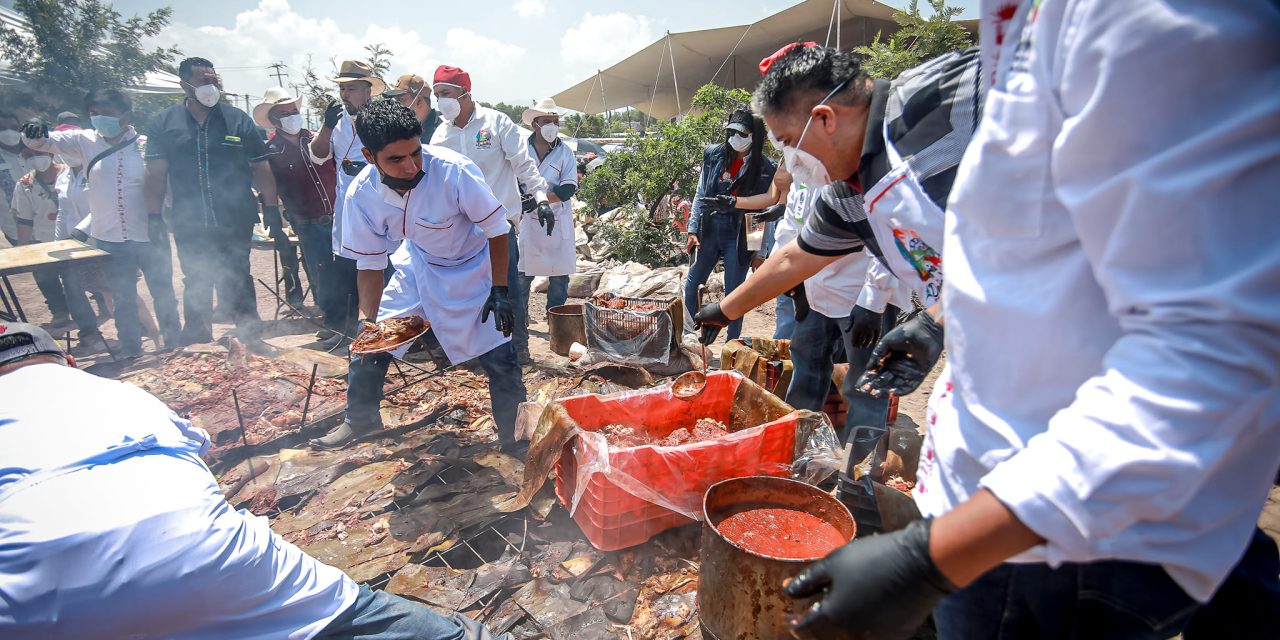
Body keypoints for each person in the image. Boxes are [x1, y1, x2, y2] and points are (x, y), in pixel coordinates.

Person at [773, 2, 1280, 638]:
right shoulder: (1034, 28)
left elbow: (1216, 356)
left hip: (1070, 533)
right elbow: (1034, 243)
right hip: (1006, 499)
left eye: (789, 147)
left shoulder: (1138, 20)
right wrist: (942, 319)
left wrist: (930, 559)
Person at [0, 322, 514, 639]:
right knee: (355, 616)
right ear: (68, 362)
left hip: (32, 602)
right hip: (201, 553)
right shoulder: (119, 393)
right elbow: (196, 452)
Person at [694, 44, 983, 458]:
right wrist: (727, 310)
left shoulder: (950, 95)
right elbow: (796, 256)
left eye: (790, 143)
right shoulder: (844, 194)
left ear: (825, 119)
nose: (791, 163)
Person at [312, 100, 528, 454]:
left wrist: (501, 288)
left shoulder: (454, 170)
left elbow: (497, 230)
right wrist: (368, 318)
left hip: (475, 265)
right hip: (419, 265)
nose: (411, 166)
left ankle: (515, 436)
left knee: (500, 356)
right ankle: (360, 419)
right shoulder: (361, 195)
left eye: (415, 153)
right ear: (369, 155)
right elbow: (369, 264)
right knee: (373, 341)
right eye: (396, 159)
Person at [23, 89, 184, 356]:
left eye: (107, 113)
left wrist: (165, 218)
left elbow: (162, 183)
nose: (99, 118)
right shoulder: (82, 140)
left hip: (149, 233)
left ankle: (173, 343)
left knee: (163, 292)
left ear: (126, 115)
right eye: (94, 113)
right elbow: (42, 143)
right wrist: (35, 130)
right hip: (110, 238)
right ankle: (130, 349)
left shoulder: (146, 144)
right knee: (123, 299)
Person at [145, 57, 278, 345]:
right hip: (188, 220)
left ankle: (250, 336)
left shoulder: (237, 119)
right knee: (195, 277)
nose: (212, 86)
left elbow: (260, 166)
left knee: (239, 274)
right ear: (185, 84)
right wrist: (153, 217)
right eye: (204, 81)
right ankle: (197, 336)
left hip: (235, 217)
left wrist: (271, 207)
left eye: (214, 80)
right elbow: (156, 174)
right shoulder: (163, 123)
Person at [429, 65, 552, 365]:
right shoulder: (440, 136)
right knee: (468, 293)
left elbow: (522, 164)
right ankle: (476, 352)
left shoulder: (495, 123)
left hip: (499, 227)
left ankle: (518, 350)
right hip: (460, 231)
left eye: (445, 93)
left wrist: (540, 196)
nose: (440, 101)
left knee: (507, 289)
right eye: (436, 95)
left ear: (465, 93)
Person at [307, 60, 386, 350]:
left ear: (367, 90)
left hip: (379, 205)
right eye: (342, 89)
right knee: (345, 269)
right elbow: (317, 155)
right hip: (346, 207)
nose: (345, 94)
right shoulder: (336, 120)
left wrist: (368, 166)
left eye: (351, 88)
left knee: (378, 266)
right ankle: (344, 329)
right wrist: (327, 126)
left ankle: (381, 330)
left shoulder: (381, 116)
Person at [683, 107, 776, 342]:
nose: (736, 138)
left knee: (735, 291)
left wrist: (760, 251)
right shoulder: (714, 155)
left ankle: (731, 345)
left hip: (742, 231)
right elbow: (700, 193)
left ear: (755, 136)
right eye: (732, 132)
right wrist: (692, 230)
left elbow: (764, 212)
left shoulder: (766, 168)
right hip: (710, 228)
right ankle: (689, 336)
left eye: (742, 134)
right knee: (693, 283)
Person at [255, 87, 340, 338]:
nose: (292, 115)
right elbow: (268, 185)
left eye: (294, 110)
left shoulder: (319, 138)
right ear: (274, 120)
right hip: (307, 222)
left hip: (337, 216)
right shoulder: (271, 151)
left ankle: (347, 319)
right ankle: (332, 320)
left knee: (347, 269)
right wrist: (273, 213)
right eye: (285, 113)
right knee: (320, 273)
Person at [518, 98, 577, 312]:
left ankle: (556, 320)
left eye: (555, 121)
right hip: (529, 222)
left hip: (557, 221)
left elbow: (567, 190)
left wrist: (539, 199)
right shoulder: (521, 150)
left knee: (559, 277)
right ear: (535, 124)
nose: (552, 125)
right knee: (523, 275)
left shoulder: (565, 152)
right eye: (547, 121)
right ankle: (520, 321)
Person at [385, 73, 441, 145]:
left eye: (401, 100)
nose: (397, 106)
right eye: (396, 101)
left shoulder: (444, 127)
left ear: (419, 101)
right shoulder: (401, 129)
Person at [0, 111, 28, 246]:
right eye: (2, 129)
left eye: (13, 128)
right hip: (14, 231)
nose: (9, 132)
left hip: (48, 227)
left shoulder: (36, 153)